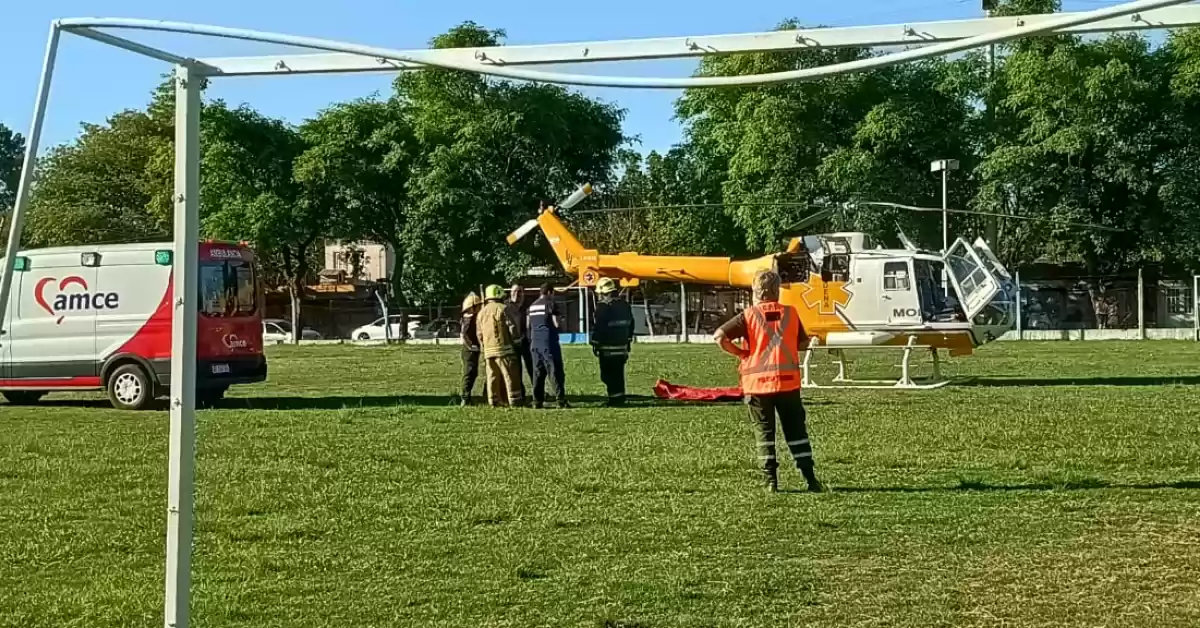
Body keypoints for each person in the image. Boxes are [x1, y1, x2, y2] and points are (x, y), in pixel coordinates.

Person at [714, 269, 824, 494]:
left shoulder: (749, 315)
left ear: (755, 291)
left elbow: (719, 336)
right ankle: (810, 478)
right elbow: (802, 344)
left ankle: (771, 481)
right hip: (788, 384)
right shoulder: (791, 314)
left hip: (757, 386)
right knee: (796, 432)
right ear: (778, 290)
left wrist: (741, 354)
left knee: (764, 433)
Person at [476, 284, 525, 407]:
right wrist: (517, 340)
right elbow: (512, 327)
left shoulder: (481, 312)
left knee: (492, 376)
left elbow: (479, 333)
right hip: (505, 349)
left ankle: (493, 400)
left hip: (488, 351)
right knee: (510, 375)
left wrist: (483, 346)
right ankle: (515, 400)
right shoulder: (504, 309)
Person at [590, 277, 634, 407]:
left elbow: (600, 327)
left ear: (604, 293)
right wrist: (627, 342)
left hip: (607, 348)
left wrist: (595, 343)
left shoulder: (603, 307)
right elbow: (631, 325)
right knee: (618, 374)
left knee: (607, 375)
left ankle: (615, 399)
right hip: (622, 347)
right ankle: (619, 398)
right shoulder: (625, 306)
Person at [528, 282, 569, 409]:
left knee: (538, 372)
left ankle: (537, 401)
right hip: (548, 342)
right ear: (550, 292)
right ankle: (560, 400)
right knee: (554, 371)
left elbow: (528, 325)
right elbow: (556, 323)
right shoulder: (550, 304)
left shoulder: (532, 306)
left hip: (535, 342)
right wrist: (562, 322)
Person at [508, 283, 534, 398]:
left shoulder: (528, 306)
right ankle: (521, 393)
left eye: (519, 291)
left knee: (533, 368)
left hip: (527, 342)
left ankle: (538, 392)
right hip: (513, 343)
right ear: (510, 293)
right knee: (516, 369)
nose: (517, 294)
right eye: (514, 291)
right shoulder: (506, 307)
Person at [459, 292, 482, 406]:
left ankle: (467, 396)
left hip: (472, 349)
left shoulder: (469, 318)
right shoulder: (469, 319)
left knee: (473, 373)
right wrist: (472, 347)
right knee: (469, 372)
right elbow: (464, 335)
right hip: (469, 350)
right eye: (478, 306)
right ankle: (465, 397)